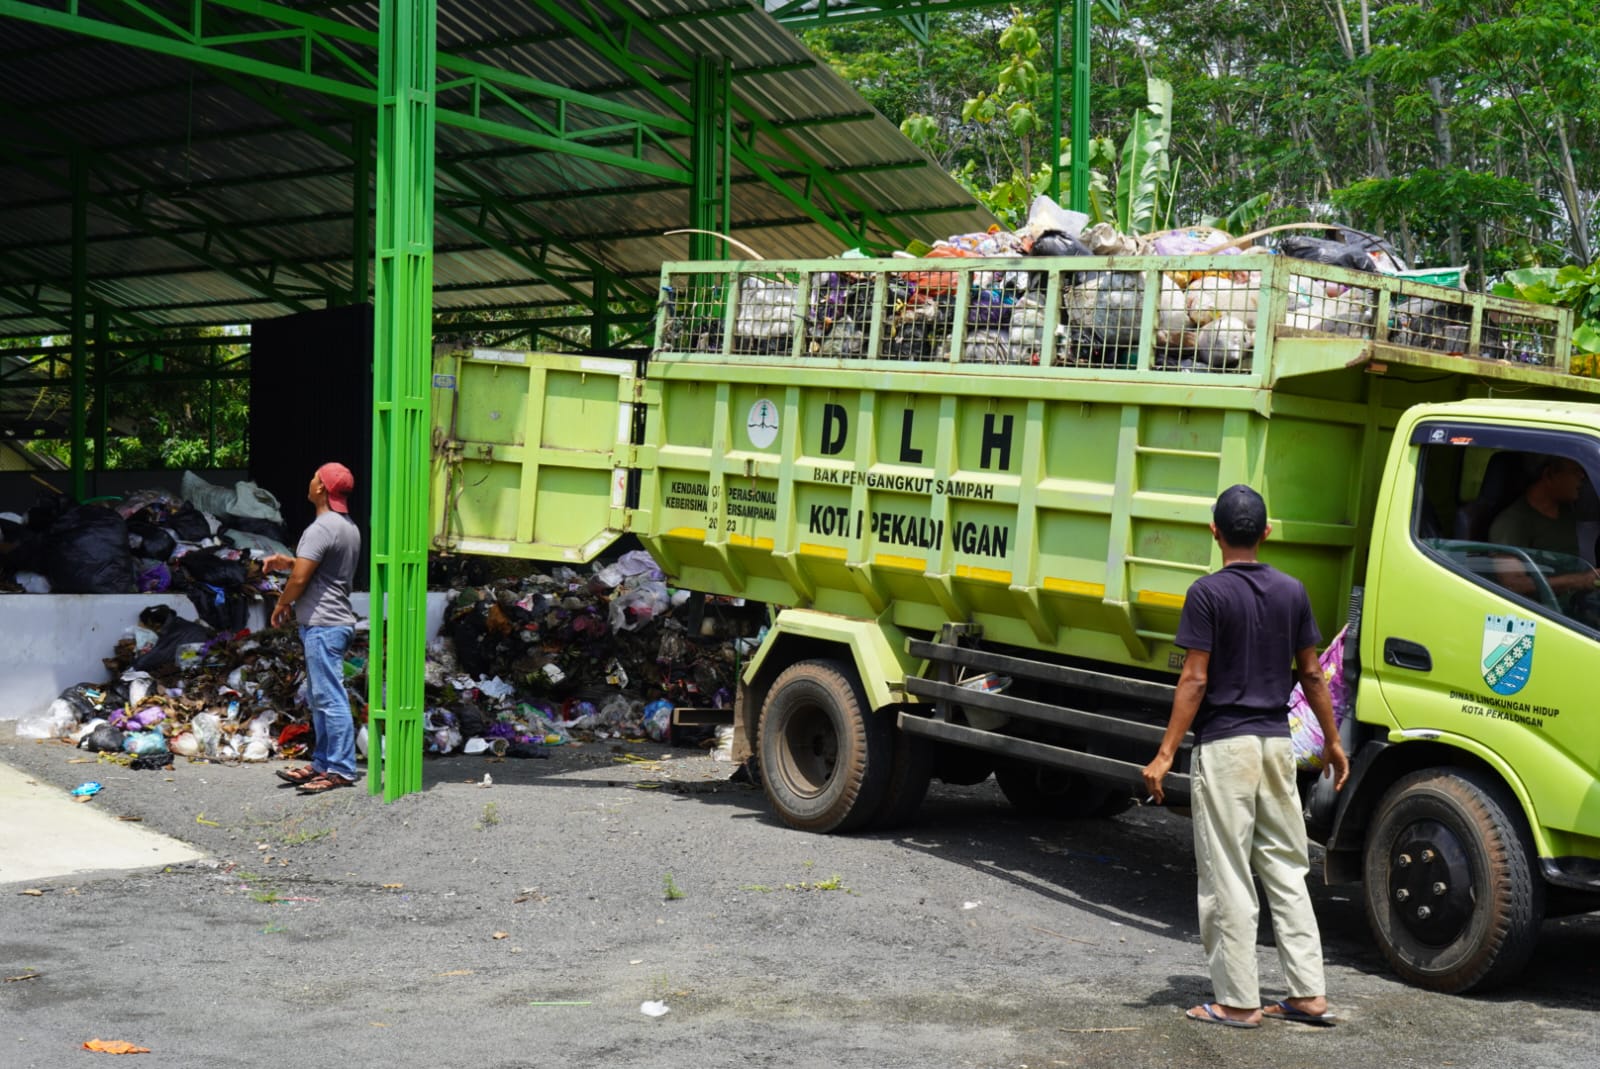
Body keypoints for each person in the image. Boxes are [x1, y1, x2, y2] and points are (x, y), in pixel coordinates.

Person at [1142, 484, 1350, 1030]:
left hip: (1226, 747)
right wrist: (1331, 740)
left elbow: (1194, 678)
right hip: (1277, 745)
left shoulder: (1206, 594)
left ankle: (1237, 1001)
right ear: (1266, 533)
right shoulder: (1292, 591)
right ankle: (1308, 994)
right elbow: (1312, 672)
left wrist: (1165, 754)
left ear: (1215, 533)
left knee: (1228, 872)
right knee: (1286, 867)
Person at [262, 462, 362, 795]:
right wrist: (287, 561)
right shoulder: (347, 526)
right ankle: (323, 763)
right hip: (334, 623)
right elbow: (319, 570)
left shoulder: (320, 528)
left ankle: (342, 768)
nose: (310, 480)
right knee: (322, 698)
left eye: (314, 475)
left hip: (324, 624)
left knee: (330, 699)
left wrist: (282, 603)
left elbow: (302, 578)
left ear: (321, 488)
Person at [1488, 454, 1599, 602]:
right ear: (1549, 475)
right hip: (1551, 613)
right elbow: (1513, 584)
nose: (1583, 476)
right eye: (1576, 470)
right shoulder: (1511, 523)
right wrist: (1577, 581)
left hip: (1580, 600)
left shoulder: (1566, 508)